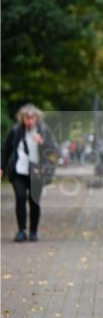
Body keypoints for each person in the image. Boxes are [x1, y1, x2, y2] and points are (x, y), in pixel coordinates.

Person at [1, 104, 57, 242]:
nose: (29, 121)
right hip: (19, 171)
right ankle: (21, 230)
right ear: (22, 118)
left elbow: (54, 152)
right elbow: (5, 150)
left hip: (36, 172)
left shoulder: (43, 131)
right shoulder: (15, 131)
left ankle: (33, 231)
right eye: (27, 118)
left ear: (37, 119)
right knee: (20, 198)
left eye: (32, 118)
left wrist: (42, 143)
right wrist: (1, 167)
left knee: (34, 202)